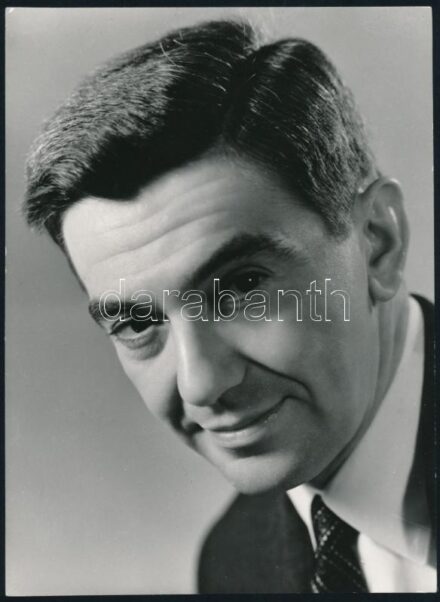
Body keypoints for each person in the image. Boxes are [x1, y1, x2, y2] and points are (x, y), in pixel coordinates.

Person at [23, 19, 435, 593]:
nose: (201, 383)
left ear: (378, 243)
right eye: (137, 322)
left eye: (240, 288)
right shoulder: (235, 562)